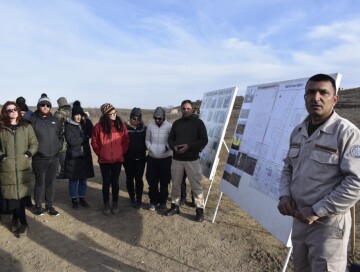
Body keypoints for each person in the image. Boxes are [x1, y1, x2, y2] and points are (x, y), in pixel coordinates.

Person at [277, 73, 360, 271]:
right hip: (299, 219)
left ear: (335, 99)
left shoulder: (347, 133)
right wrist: (284, 196)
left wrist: (316, 211)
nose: (316, 97)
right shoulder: (298, 131)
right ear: (305, 97)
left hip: (327, 226)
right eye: (311, 92)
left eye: (323, 92)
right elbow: (288, 168)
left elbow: (356, 183)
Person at [0, 102, 38, 237]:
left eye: (15, 109)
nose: (13, 112)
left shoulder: (26, 126)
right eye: (9, 110)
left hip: (23, 167)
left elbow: (34, 143)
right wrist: (2, 156)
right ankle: (22, 222)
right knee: (13, 197)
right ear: (5, 112)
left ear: (19, 110)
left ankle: (17, 220)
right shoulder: (1, 128)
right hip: (7, 168)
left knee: (20, 196)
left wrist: (28, 154)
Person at [166, 100, 208, 222]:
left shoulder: (199, 123)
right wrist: (174, 147)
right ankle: (175, 206)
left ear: (192, 109)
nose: (185, 110)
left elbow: (204, 140)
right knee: (176, 184)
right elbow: (170, 139)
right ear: (181, 109)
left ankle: (200, 210)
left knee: (196, 186)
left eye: (188, 108)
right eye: (183, 108)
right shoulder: (176, 123)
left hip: (192, 160)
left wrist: (189, 146)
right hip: (177, 159)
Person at [91, 103, 129, 215]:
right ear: (105, 115)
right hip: (104, 160)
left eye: (115, 112)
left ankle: (115, 204)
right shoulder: (99, 126)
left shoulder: (121, 125)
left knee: (115, 182)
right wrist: (101, 153)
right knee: (106, 182)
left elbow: (126, 141)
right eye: (111, 114)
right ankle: (106, 205)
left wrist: (121, 152)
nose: (114, 115)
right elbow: (94, 142)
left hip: (117, 159)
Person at [29, 93, 63, 216]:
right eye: (42, 104)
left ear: (50, 107)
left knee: (50, 182)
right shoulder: (32, 120)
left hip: (54, 157)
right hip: (39, 158)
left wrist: (58, 146)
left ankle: (49, 206)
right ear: (38, 106)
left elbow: (60, 136)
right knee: (40, 182)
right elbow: (28, 138)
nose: (45, 107)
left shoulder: (55, 120)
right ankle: (38, 206)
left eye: (47, 105)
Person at [64, 101, 94, 209]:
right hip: (74, 156)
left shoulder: (84, 124)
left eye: (80, 115)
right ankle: (74, 200)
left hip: (84, 155)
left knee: (83, 179)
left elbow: (92, 131)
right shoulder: (69, 125)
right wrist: (84, 138)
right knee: (73, 180)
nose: (78, 117)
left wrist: (87, 119)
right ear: (73, 115)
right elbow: (71, 140)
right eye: (76, 115)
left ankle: (82, 198)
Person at [145, 107, 172, 211]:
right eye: (155, 118)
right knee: (152, 181)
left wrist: (167, 147)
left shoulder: (170, 126)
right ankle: (153, 201)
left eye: (159, 118)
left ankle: (163, 202)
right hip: (152, 158)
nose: (157, 120)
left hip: (165, 158)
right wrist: (149, 147)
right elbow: (147, 139)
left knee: (164, 182)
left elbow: (172, 140)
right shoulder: (150, 126)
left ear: (164, 118)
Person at [124, 107, 147, 209]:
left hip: (141, 158)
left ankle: (139, 199)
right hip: (128, 158)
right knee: (129, 178)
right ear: (130, 117)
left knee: (138, 179)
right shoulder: (124, 127)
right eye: (134, 118)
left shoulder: (144, 128)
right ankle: (132, 198)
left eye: (138, 119)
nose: (136, 121)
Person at [54, 97, 71, 179]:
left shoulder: (59, 113)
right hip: (72, 135)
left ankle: (64, 172)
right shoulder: (71, 111)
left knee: (61, 153)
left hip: (62, 136)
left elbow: (55, 125)